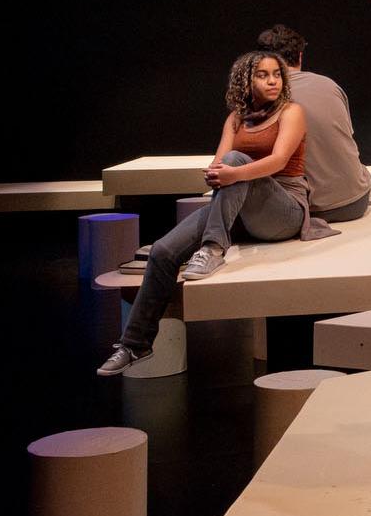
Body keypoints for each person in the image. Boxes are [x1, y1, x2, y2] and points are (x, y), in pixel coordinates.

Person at [97, 50, 338, 375]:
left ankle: (213, 248)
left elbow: (279, 161)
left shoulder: (291, 112)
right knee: (163, 251)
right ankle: (135, 344)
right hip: (240, 208)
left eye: (277, 74)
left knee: (237, 162)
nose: (272, 81)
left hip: (284, 210)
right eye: (263, 75)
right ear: (245, 80)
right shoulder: (236, 119)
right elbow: (219, 162)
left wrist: (232, 173)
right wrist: (215, 173)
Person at [254, 24, 371, 224]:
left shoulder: (263, 96)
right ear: (300, 56)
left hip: (312, 209)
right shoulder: (329, 85)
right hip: (357, 200)